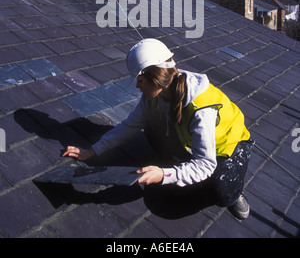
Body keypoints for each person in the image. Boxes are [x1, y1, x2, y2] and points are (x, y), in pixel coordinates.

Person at [63, 38, 254, 220]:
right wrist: (92, 151)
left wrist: (164, 175)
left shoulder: (201, 109)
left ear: (156, 77)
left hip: (228, 146)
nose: (137, 87)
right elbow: (130, 125)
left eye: (140, 80)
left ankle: (234, 192)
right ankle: (181, 166)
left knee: (220, 187)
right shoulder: (154, 95)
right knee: (151, 129)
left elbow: (205, 164)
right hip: (195, 142)